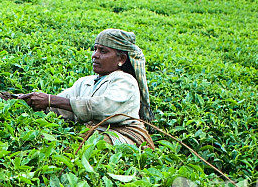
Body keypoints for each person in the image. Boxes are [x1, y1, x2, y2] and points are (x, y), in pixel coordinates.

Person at [17, 29, 155, 148]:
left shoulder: (125, 81)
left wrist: (50, 99)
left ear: (122, 59)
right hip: (93, 132)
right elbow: (61, 106)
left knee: (90, 144)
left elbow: (103, 108)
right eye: (95, 49)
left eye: (103, 51)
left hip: (123, 135)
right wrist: (25, 100)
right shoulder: (85, 82)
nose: (95, 55)